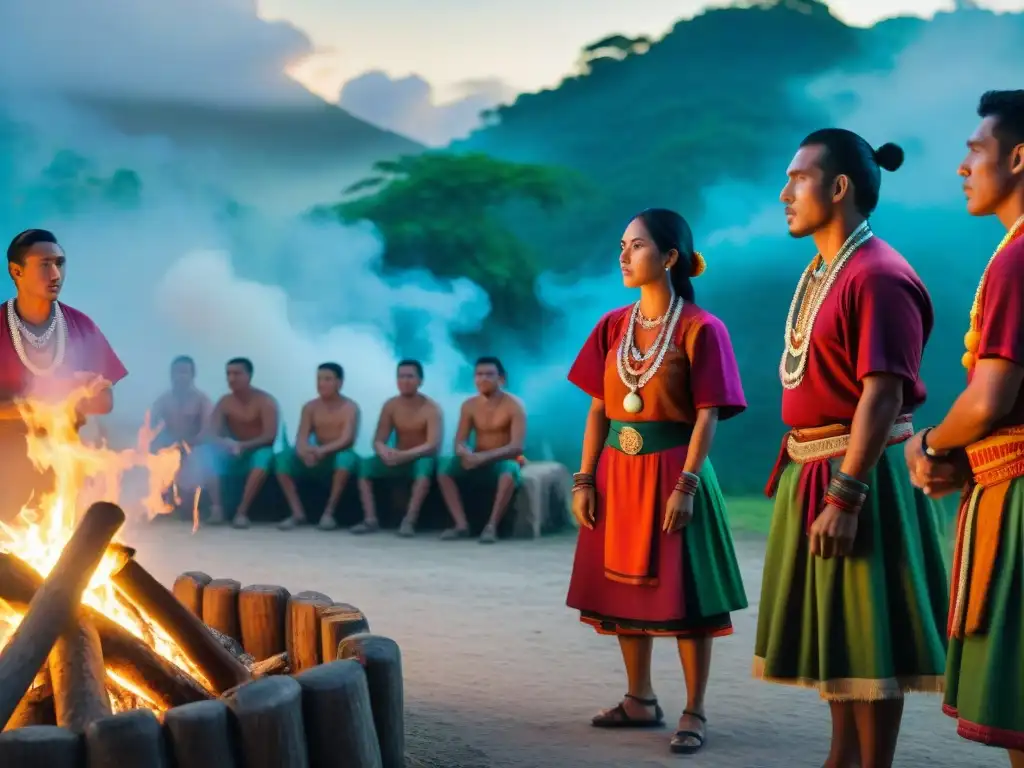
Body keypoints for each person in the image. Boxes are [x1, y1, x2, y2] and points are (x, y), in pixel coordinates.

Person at [754, 130, 948, 768]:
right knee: (836, 631)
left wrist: (847, 492)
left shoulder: (880, 275)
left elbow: (883, 395)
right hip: (814, 465)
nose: (784, 193)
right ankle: (840, 757)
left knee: (870, 632)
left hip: (858, 475)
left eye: (797, 178)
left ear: (838, 188)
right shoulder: (824, 270)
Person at [566, 208, 747, 756]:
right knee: (623, 588)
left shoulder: (701, 328)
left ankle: (694, 709)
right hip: (618, 473)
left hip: (673, 469)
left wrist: (688, 484)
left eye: (637, 245)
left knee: (685, 594)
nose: (623, 255)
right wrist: (584, 477)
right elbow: (599, 408)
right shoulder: (613, 326)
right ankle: (639, 698)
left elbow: (708, 414)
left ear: (669, 257)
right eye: (621, 244)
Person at [904, 90, 1024, 765]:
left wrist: (929, 445)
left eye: (974, 151)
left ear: (1018, 156)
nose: (962, 167)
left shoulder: (1016, 259)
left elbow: (988, 398)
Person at [0, 229, 127, 520]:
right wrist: (39, 405)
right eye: (45, 264)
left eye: (60, 263)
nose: (56, 273)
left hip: (63, 459)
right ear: (16, 271)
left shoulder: (81, 326)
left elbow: (105, 401)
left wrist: (66, 398)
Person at [436, 356, 525, 543]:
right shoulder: (469, 405)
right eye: (479, 374)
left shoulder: (514, 406)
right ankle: (461, 525)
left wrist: (484, 457)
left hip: (503, 460)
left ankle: (491, 526)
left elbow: (516, 446)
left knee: (509, 471)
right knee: (445, 468)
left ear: (501, 379)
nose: (483, 379)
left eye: (489, 374)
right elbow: (459, 441)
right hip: (476, 458)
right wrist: (465, 453)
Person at [355, 359, 441, 536]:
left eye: (410, 376)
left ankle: (409, 521)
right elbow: (378, 439)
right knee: (365, 465)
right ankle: (370, 519)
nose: (405, 381)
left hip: (418, 458)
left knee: (425, 465)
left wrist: (405, 455)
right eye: (401, 377)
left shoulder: (431, 408)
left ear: (420, 381)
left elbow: (433, 445)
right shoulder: (391, 405)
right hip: (396, 458)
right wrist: (384, 451)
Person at [274, 363, 360, 531]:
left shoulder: (350, 407)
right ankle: (297, 512)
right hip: (316, 454)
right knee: (282, 458)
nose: (322, 384)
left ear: (339, 383)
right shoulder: (310, 407)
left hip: (335, 454)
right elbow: (301, 437)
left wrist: (322, 451)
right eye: (319, 379)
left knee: (346, 458)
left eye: (327, 379)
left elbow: (347, 439)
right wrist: (304, 452)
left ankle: (329, 513)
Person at [202, 357, 278, 528]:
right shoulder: (225, 402)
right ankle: (217, 509)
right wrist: (226, 443)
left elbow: (270, 436)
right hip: (232, 452)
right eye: (228, 374)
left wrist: (243, 446)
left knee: (264, 456)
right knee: (206, 453)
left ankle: (242, 512)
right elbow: (211, 434)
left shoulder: (265, 401)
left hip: (254, 451)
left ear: (249, 376)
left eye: (237, 374)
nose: (232, 378)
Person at [150, 355, 213, 496]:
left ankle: (216, 508)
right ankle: (157, 500)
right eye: (176, 372)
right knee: (151, 454)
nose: (180, 376)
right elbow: (151, 427)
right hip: (170, 444)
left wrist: (189, 444)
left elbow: (207, 430)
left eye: (184, 372)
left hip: (196, 445)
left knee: (205, 459)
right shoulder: (163, 400)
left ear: (193, 375)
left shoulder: (202, 400)